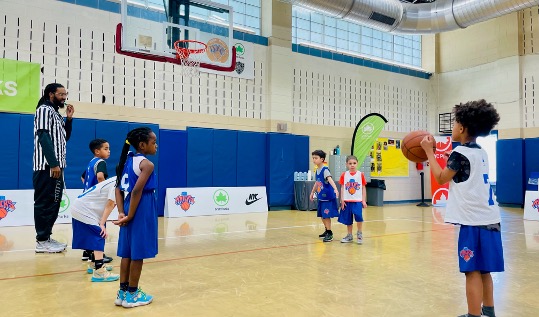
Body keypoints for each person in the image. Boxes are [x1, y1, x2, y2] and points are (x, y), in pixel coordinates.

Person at [420, 99, 502, 317]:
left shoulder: (460, 155)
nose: (453, 127)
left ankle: (473, 315)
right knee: (485, 269)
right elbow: (464, 171)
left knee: (471, 270)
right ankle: (489, 310)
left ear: (462, 128)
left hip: (473, 222)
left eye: (456, 123)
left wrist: (429, 151)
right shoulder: (480, 152)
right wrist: (450, 160)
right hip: (491, 219)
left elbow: (440, 177)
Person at [113, 127, 158, 308]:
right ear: (142, 145)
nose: (156, 146)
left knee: (127, 252)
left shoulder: (125, 161)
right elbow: (138, 190)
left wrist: (121, 212)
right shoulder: (146, 164)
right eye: (153, 142)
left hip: (128, 204)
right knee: (138, 252)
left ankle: (122, 292)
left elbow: (117, 188)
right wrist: (130, 215)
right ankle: (132, 294)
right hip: (141, 206)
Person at [33, 83, 74, 253]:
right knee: (44, 203)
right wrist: (53, 163)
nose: (64, 98)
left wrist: (69, 119)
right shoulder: (43, 109)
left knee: (54, 203)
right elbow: (43, 136)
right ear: (51, 94)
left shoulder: (56, 114)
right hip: (47, 166)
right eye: (61, 94)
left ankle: (46, 237)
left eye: (65, 94)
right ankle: (41, 241)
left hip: (57, 167)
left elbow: (65, 138)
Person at [71, 177, 120, 282]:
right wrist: (102, 223)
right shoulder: (118, 182)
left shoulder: (116, 179)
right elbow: (111, 204)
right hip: (84, 209)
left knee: (92, 236)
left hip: (81, 206)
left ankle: (94, 263)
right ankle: (99, 272)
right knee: (99, 234)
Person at [80, 139, 113, 264]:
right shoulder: (101, 162)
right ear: (97, 151)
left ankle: (87, 252)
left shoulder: (91, 163)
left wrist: (90, 189)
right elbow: (100, 176)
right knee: (99, 226)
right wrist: (102, 190)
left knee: (89, 227)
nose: (109, 151)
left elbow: (82, 177)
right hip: (95, 201)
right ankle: (98, 255)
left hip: (86, 199)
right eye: (106, 148)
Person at [309, 150, 339, 242]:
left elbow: (330, 179)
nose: (314, 160)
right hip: (321, 196)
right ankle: (327, 230)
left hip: (327, 197)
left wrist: (335, 189)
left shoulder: (325, 170)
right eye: (313, 158)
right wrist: (312, 192)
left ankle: (330, 233)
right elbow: (317, 183)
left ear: (322, 159)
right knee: (322, 215)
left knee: (326, 215)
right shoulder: (317, 170)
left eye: (316, 158)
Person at [337, 155, 367, 244]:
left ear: (357, 164)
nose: (352, 165)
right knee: (348, 219)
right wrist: (342, 200)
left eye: (354, 163)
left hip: (357, 201)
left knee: (359, 217)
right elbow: (342, 188)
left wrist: (363, 200)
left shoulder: (360, 174)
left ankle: (359, 233)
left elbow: (363, 188)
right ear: (347, 164)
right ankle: (349, 235)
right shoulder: (344, 175)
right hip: (347, 201)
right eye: (350, 163)